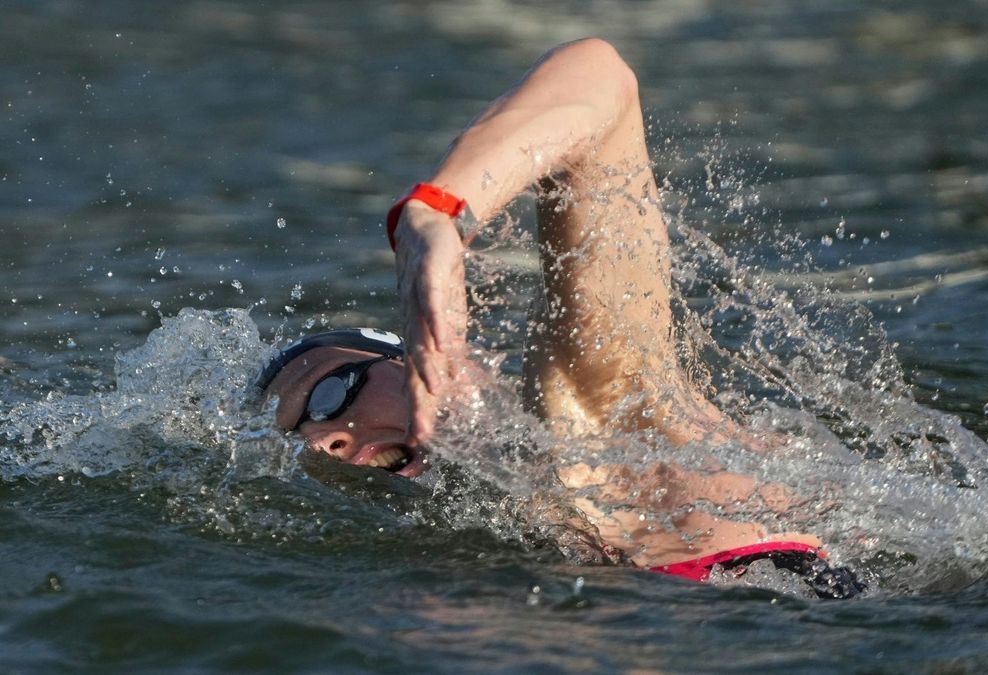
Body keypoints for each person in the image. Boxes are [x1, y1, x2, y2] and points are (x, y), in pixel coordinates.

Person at [259, 39, 863, 597]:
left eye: (330, 394)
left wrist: (435, 212)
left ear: (416, 355)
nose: (321, 438)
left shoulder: (612, 434)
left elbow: (602, 79)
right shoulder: (470, 575)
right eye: (295, 440)